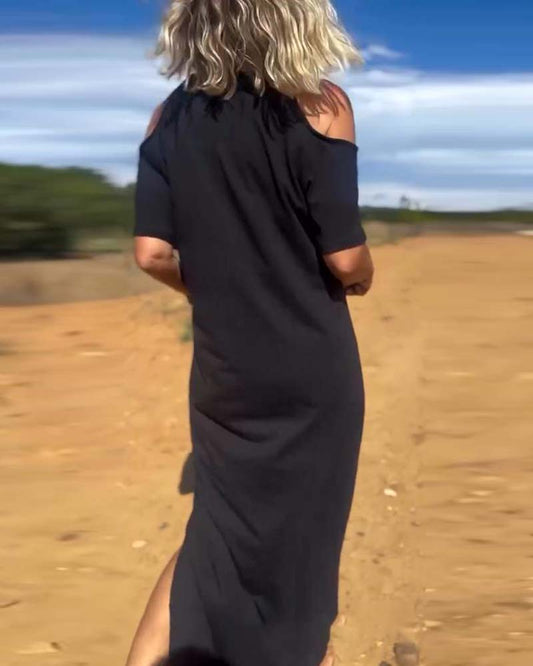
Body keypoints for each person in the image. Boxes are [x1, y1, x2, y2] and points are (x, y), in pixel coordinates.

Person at [127, 1, 374, 665]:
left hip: (224, 371)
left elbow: (151, 253)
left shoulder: (167, 119)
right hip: (310, 369)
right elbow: (344, 257)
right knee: (305, 544)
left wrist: (213, 291)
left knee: (212, 532)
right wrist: (363, 277)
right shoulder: (321, 105)